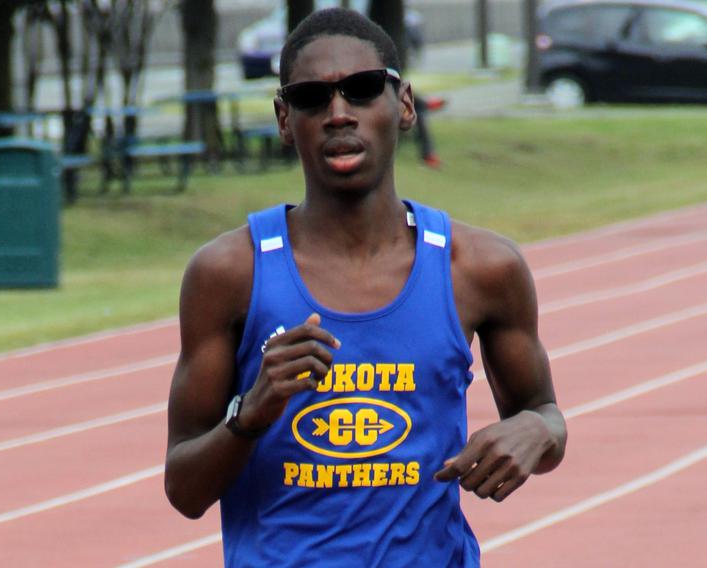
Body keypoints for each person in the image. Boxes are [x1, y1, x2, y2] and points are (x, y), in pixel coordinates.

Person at [164, 8, 566, 566]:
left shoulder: (479, 267)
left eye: (362, 89)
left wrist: (534, 429)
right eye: (311, 97)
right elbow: (184, 491)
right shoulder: (231, 272)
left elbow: (545, 414)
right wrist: (251, 412)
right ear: (284, 119)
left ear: (402, 105)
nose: (338, 114)